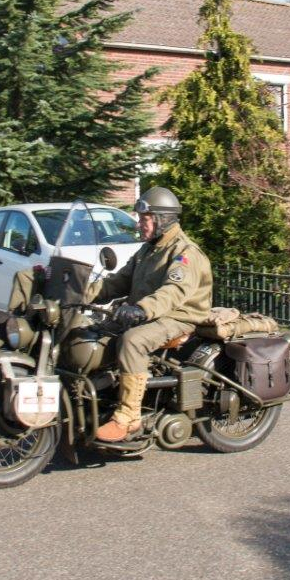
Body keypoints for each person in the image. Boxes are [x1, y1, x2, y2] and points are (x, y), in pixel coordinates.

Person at [92, 186, 212, 442]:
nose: (139, 224)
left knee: (133, 341)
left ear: (162, 219)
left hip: (180, 316)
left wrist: (141, 309)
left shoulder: (185, 253)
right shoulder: (148, 250)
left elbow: (173, 292)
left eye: (144, 219)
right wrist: (81, 292)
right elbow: (118, 282)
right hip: (152, 314)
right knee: (95, 333)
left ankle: (129, 417)